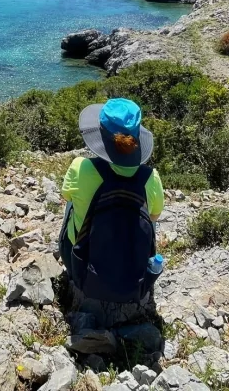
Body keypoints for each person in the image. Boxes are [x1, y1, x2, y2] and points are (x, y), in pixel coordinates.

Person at [59, 98, 164, 304]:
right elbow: (154, 216)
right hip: (134, 273)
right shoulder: (151, 178)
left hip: (84, 267)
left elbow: (66, 196)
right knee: (151, 215)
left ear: (100, 138)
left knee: (71, 204)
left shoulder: (80, 167)